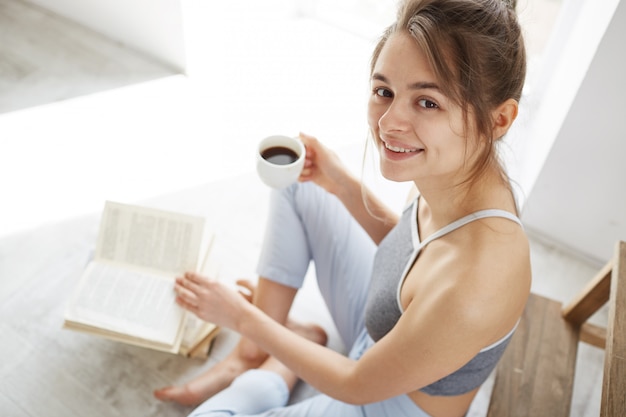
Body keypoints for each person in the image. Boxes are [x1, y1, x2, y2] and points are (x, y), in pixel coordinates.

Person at [155, 0, 531, 415]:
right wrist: (342, 185)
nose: (389, 123)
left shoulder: (478, 277)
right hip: (383, 340)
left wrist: (241, 315)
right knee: (300, 184)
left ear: (500, 120)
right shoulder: (454, 171)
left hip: (384, 402)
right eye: (384, 92)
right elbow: (415, 259)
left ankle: (272, 372)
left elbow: (357, 385)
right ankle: (252, 355)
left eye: (428, 102)